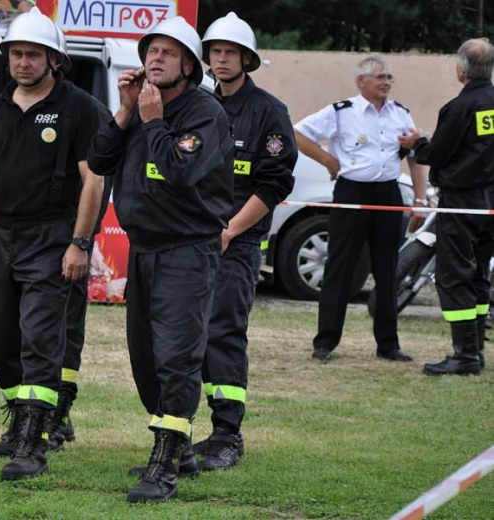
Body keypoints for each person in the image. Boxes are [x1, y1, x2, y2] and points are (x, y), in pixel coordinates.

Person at [87, 16, 236, 503]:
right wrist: (127, 111)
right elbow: (99, 160)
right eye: (151, 51)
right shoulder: (141, 106)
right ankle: (183, 450)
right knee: (145, 360)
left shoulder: (204, 113)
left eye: (168, 53)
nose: (155, 58)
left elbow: (179, 169)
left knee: (177, 359)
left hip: (187, 250)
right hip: (145, 250)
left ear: (189, 66)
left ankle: (165, 465)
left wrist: (152, 122)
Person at [0, 7, 105, 481]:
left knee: (41, 338)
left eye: (33, 55)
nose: (23, 63)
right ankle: (20, 420)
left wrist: (79, 243)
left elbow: (93, 181)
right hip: (2, 236)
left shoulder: (79, 107)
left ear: (55, 60)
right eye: (16, 54)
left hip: (52, 235)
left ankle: (35, 441)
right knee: (2, 335)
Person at [190, 12, 297, 472]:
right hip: (195, 243)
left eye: (230, 52)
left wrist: (231, 229)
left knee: (224, 334)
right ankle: (189, 431)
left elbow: (275, 184)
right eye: (215, 52)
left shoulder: (268, 111)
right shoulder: (199, 106)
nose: (221, 58)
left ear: (247, 58)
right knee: (190, 337)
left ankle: (227, 435)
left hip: (238, 242)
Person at [294, 55, 427, 363]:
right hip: (352, 192)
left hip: (389, 194)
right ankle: (325, 341)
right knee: (340, 268)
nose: (387, 83)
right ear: (362, 81)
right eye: (380, 77)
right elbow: (298, 134)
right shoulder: (342, 112)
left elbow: (414, 155)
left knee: (386, 270)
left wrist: (420, 199)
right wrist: (328, 160)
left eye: (390, 78)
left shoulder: (400, 113)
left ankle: (388, 344)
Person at [398, 38, 494, 376]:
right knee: (479, 273)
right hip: (490, 203)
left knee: (454, 276)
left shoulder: (460, 107)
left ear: (461, 70)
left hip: (462, 200)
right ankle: (477, 350)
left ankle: (464, 355)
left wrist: (418, 144)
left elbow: (438, 153)